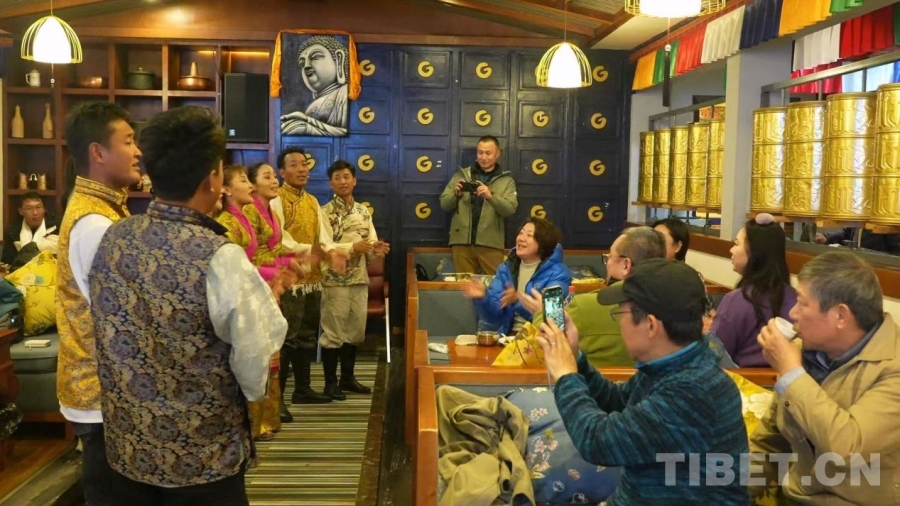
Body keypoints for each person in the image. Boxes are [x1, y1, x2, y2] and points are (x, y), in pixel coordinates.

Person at [89, 106, 286, 503]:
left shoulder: (115, 237)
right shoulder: (221, 256)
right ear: (213, 179)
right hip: (203, 457)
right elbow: (254, 357)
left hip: (129, 448)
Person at [537, 259, 749, 505]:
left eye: (621, 314)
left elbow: (597, 442)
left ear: (650, 325)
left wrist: (565, 375)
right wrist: (576, 359)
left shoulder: (693, 391)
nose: (620, 324)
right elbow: (616, 402)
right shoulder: (673, 367)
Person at [751, 251, 900, 504]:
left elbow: (849, 449)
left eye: (802, 303)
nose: (793, 313)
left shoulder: (891, 366)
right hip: (796, 497)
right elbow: (770, 444)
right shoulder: (807, 355)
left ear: (840, 315)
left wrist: (792, 374)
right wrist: (724, 495)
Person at [55, 102, 142, 506]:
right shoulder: (95, 224)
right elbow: (122, 316)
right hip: (103, 394)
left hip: (103, 392)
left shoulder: (102, 209)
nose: (138, 151)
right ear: (97, 152)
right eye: (128, 141)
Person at [226, 162, 303, 432]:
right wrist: (277, 268)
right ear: (225, 188)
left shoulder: (256, 213)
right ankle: (252, 424)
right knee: (254, 358)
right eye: (265, 177)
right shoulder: (233, 219)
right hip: (251, 291)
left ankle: (265, 419)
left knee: (270, 355)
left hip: (267, 287)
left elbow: (271, 250)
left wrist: (288, 262)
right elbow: (241, 263)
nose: (273, 181)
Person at [526, 226, 665, 367]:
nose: (607, 264)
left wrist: (541, 313)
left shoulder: (586, 306)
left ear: (625, 265)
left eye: (609, 257)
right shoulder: (671, 304)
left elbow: (543, 343)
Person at [271, 147, 347, 403]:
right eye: (294, 165)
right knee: (287, 339)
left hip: (313, 280)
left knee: (307, 337)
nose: (302, 169)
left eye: (304, 164)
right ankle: (278, 400)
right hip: (288, 279)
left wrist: (331, 253)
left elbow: (323, 237)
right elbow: (279, 239)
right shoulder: (276, 200)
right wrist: (309, 250)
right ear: (282, 172)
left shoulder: (313, 201)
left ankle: (302, 390)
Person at [319, 160, 390, 399]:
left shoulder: (363, 212)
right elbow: (324, 246)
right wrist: (352, 247)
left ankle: (347, 378)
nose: (343, 181)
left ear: (355, 181)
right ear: (330, 183)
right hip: (334, 279)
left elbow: (370, 242)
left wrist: (376, 249)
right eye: (337, 178)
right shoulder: (324, 212)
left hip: (359, 278)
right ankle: (330, 383)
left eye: (346, 177)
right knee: (333, 332)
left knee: (355, 331)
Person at [709, 213, 797, 367]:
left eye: (736, 244)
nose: (731, 250)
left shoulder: (737, 300)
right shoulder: (796, 298)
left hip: (742, 380)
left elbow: (714, 356)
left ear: (755, 252)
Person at [461, 217, 569, 335]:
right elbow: (493, 317)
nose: (521, 238)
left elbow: (552, 319)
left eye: (529, 235)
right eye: (521, 233)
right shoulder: (506, 268)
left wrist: (517, 300)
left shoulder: (558, 273)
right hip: (506, 337)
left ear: (543, 243)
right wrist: (483, 297)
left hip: (539, 338)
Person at [439, 136, 517, 275]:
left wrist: (490, 197)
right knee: (464, 285)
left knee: (494, 284)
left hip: (491, 244)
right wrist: (456, 195)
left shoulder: (507, 181)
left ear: (497, 154)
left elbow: (510, 209)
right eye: (480, 152)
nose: (483, 157)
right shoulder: (461, 175)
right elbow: (444, 204)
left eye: (488, 153)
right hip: (461, 243)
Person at [280, 35, 349, 136]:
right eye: (302, 63)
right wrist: (306, 120)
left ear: (339, 59)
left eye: (315, 57)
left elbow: (345, 133)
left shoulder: (343, 93)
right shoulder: (318, 100)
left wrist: (309, 128)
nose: (306, 66)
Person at [2, 192, 59, 271]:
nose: (35, 212)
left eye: (38, 207)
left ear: (44, 209)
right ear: (21, 211)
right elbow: (7, 262)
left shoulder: (57, 227)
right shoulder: (13, 232)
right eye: (29, 208)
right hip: (21, 273)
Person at [815, 227, 900, 254]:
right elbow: (846, 234)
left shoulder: (886, 222)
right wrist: (826, 237)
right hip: (856, 261)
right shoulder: (859, 215)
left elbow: (895, 252)